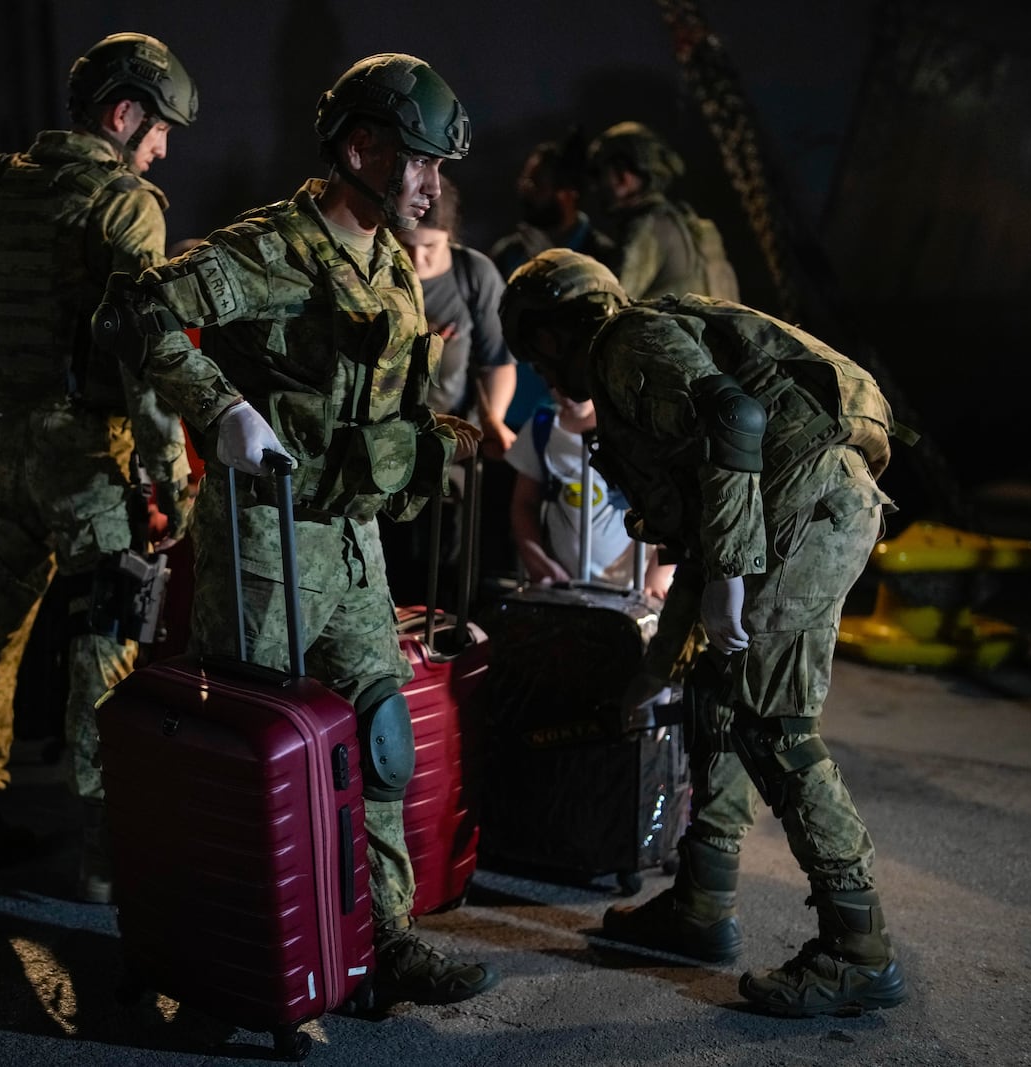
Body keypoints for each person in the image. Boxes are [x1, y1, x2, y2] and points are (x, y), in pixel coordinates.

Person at [93, 52, 500, 1009]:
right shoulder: (270, 250)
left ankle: (383, 942)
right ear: (359, 146)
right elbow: (136, 312)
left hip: (353, 545)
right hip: (264, 549)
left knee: (384, 742)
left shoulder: (388, 257)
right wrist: (220, 408)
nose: (432, 186)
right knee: (245, 759)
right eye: (416, 161)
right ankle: (224, 958)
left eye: (440, 167)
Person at [499, 248, 909, 1017]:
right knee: (716, 699)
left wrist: (730, 572)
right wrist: (656, 668)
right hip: (800, 507)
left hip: (803, 513)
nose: (544, 374)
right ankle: (700, 904)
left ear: (559, 330)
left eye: (539, 350)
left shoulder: (623, 343)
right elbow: (703, 519)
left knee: (775, 729)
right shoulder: (638, 364)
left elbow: (736, 417)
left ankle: (858, 949)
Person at [0, 33, 198, 901]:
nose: (163, 148)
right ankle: (102, 853)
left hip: (1, 450)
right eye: (158, 130)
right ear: (123, 115)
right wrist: (164, 481)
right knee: (105, 642)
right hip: (91, 458)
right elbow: (148, 351)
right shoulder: (125, 203)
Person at [382, 177, 515, 605]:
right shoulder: (372, 270)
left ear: (450, 240)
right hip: (382, 445)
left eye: (431, 249)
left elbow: (497, 362)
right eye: (407, 247)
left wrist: (489, 421)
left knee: (445, 570)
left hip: (450, 453)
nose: (418, 263)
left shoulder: (473, 275)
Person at [506, 385, 673, 595]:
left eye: (577, 381)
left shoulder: (639, 432)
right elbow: (524, 504)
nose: (569, 393)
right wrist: (537, 560)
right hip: (567, 587)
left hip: (636, 588)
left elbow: (672, 507)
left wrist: (659, 573)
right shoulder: (542, 429)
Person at [586, 121, 738, 302]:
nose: (596, 187)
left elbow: (608, 303)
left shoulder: (648, 227)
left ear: (623, 176)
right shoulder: (694, 228)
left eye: (600, 173)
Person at [489, 129, 617, 283]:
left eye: (536, 183)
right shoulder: (508, 254)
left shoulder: (602, 256)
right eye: (524, 181)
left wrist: (550, 264)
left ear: (568, 193)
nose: (525, 191)